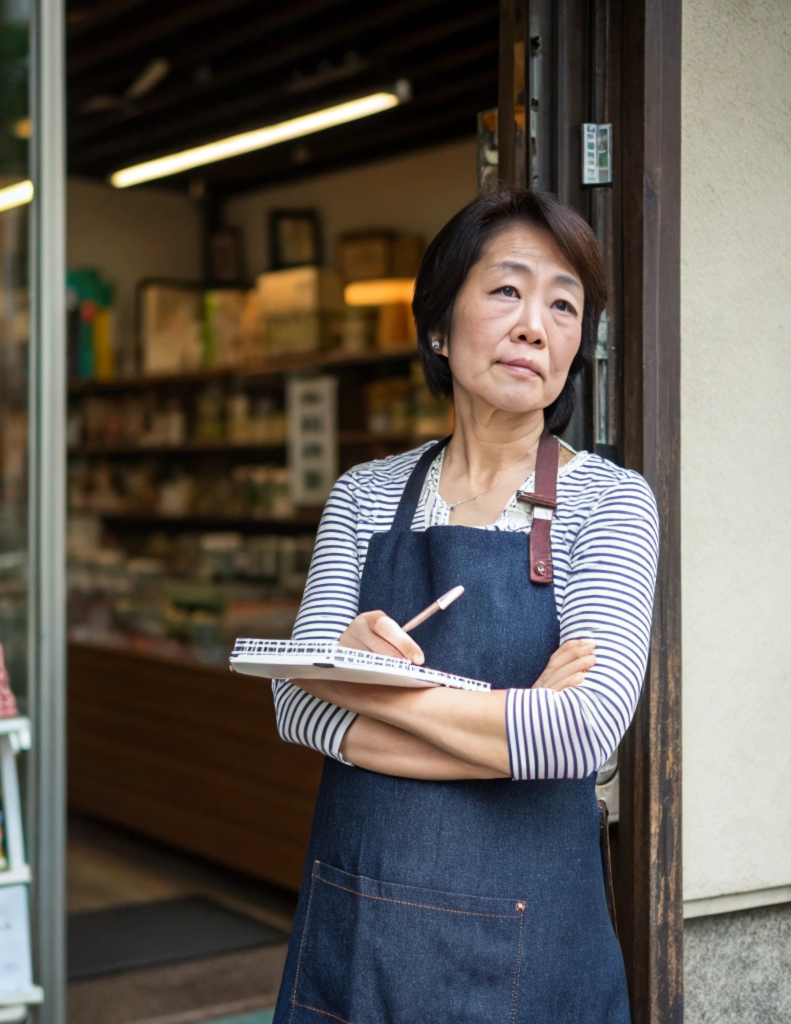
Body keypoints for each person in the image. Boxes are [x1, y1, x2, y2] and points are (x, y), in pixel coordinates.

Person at [271, 188, 659, 1024]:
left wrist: (361, 681)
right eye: (507, 290)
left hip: (529, 945)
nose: (535, 326)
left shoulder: (611, 505)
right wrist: (510, 726)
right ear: (440, 326)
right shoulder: (365, 495)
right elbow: (293, 703)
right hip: (358, 923)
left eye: (564, 304)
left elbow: (585, 732)